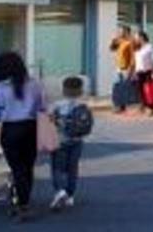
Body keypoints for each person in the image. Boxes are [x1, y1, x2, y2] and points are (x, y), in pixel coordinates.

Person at [0, 51, 44, 221]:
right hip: (32, 128)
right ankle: (24, 203)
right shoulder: (34, 84)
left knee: (17, 168)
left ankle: (22, 206)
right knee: (28, 167)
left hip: (11, 130)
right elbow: (43, 108)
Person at [49, 76, 93, 211]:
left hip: (60, 141)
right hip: (77, 141)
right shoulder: (83, 104)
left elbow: (49, 119)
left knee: (57, 167)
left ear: (64, 90)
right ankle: (70, 195)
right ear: (80, 90)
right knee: (72, 169)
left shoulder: (58, 105)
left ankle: (60, 190)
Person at [109, 25, 136, 113]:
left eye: (122, 32)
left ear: (127, 32)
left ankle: (121, 107)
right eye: (120, 32)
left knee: (123, 87)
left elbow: (132, 57)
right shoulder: (120, 42)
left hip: (126, 68)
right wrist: (115, 40)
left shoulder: (130, 43)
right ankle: (120, 106)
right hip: (118, 68)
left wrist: (131, 69)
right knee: (118, 87)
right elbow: (111, 48)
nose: (121, 33)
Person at [134, 30, 153, 115]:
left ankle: (151, 108)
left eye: (136, 37)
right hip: (139, 72)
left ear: (141, 37)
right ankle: (144, 106)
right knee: (140, 91)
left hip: (147, 71)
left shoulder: (149, 47)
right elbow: (136, 61)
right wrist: (134, 72)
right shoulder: (138, 48)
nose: (135, 39)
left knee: (149, 90)